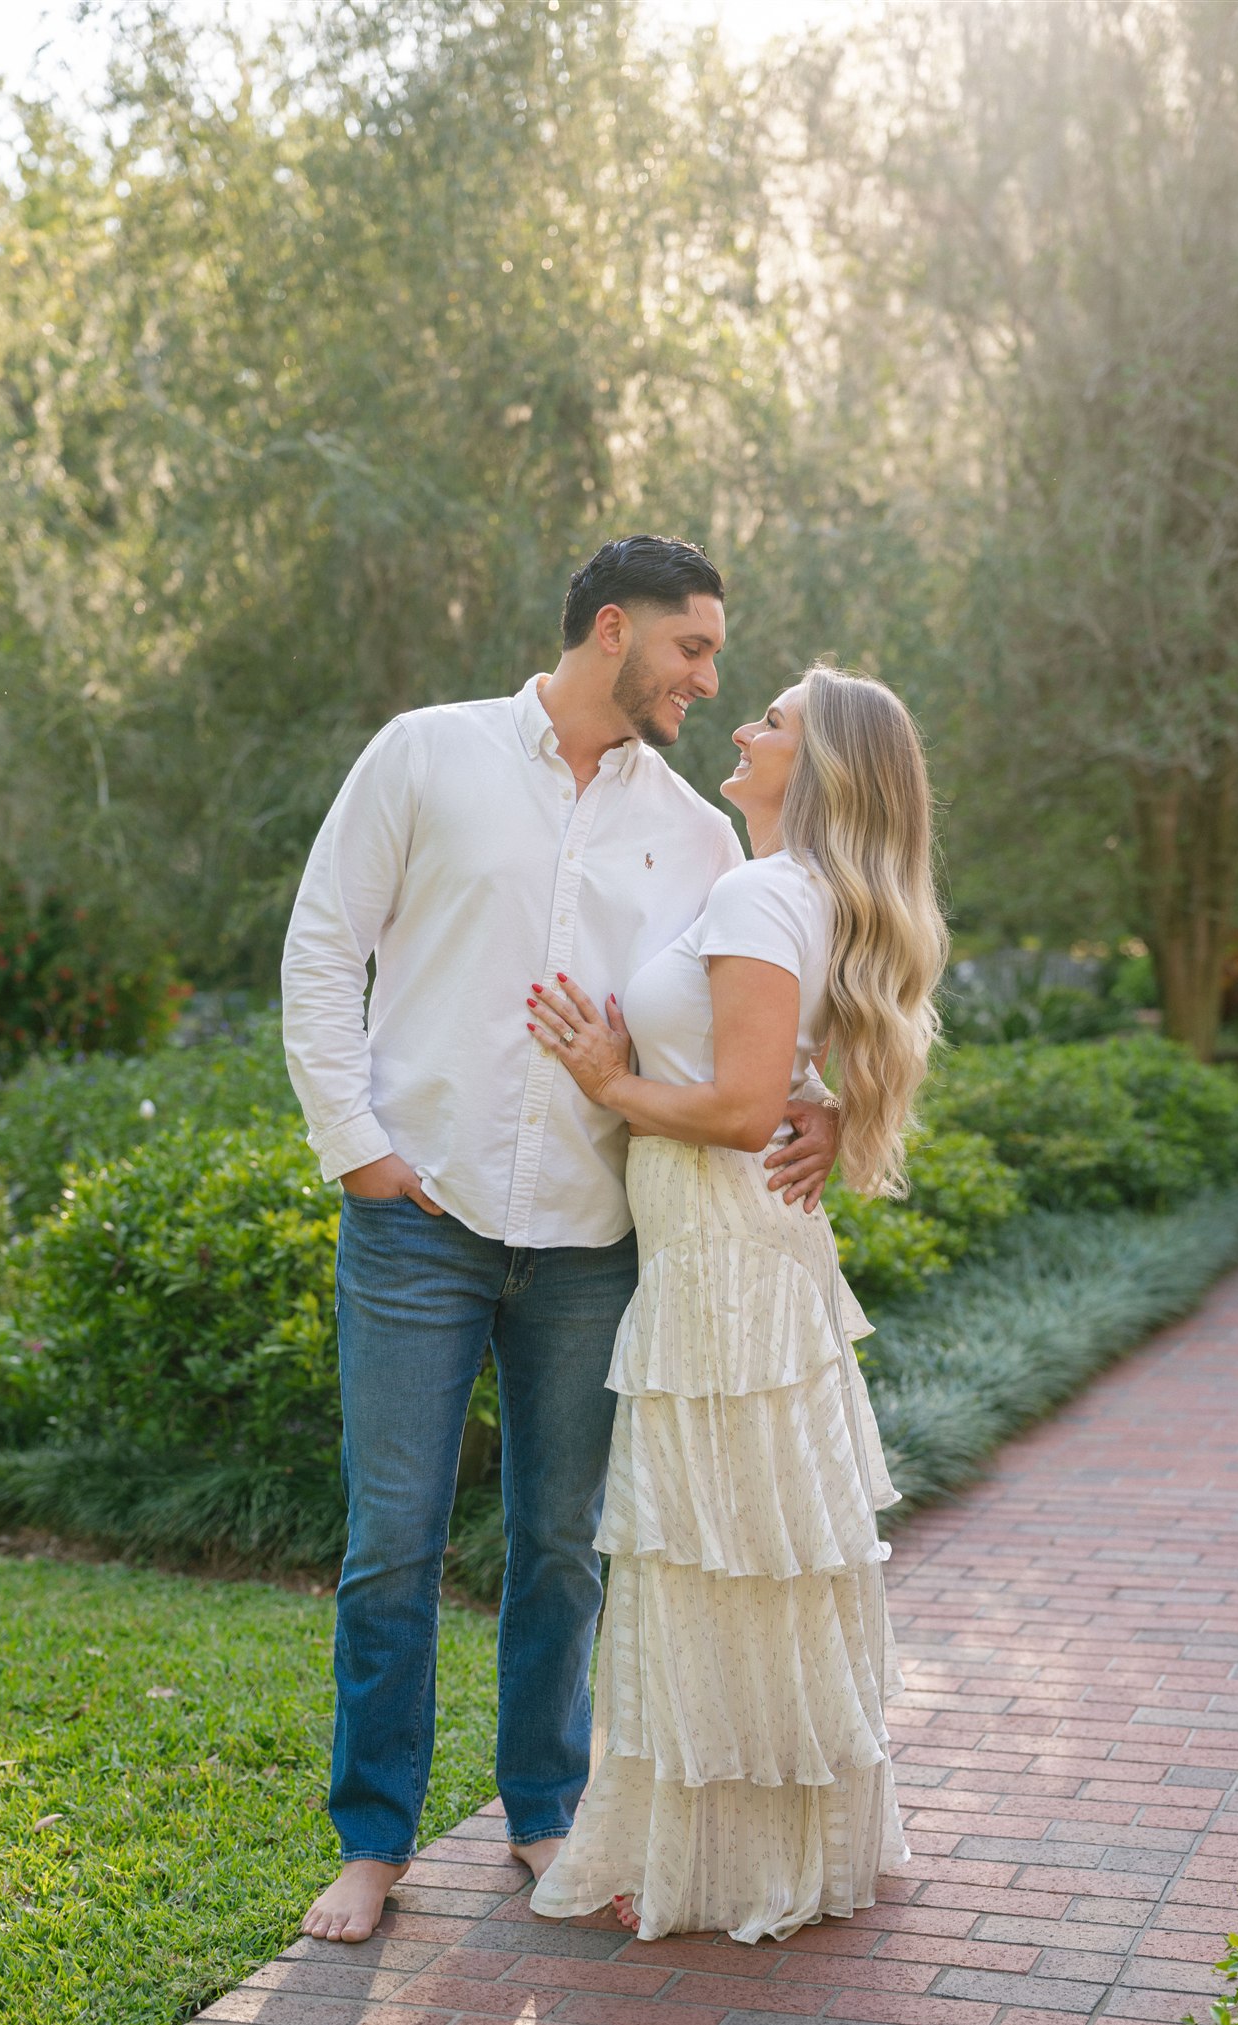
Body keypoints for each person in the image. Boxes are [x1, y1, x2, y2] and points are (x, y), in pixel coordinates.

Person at [280, 535, 840, 1944]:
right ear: (612, 631)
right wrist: (356, 1145)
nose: (706, 681)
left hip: (591, 1240)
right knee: (391, 1544)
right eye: (692, 648)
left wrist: (816, 1095)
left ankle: (542, 1808)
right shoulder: (426, 754)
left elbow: (741, 1001)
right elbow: (322, 944)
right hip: (418, 1220)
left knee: (559, 1548)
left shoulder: (697, 834)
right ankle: (373, 1840)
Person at [526, 663, 947, 1942]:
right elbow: (782, 1076)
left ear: (815, 769)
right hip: (732, 1251)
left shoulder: (764, 892)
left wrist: (606, 1077)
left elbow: (737, 1107)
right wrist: (821, 1103)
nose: (744, 727)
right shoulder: (794, 889)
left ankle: (725, 1857)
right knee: (751, 1550)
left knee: (718, 1548)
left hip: (722, 1256)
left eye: (771, 720)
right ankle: (755, 1846)